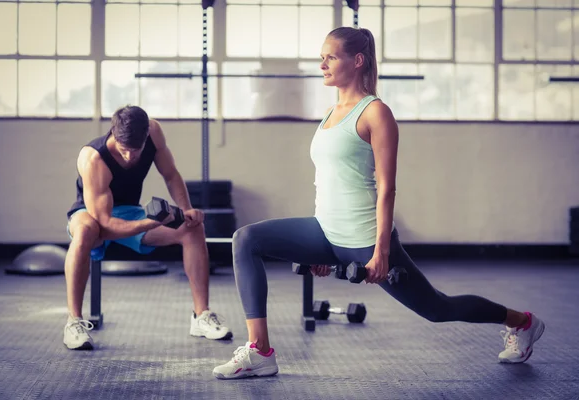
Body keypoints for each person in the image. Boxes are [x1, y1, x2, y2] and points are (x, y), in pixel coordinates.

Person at [212, 27, 545, 379]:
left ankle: (522, 322)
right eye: (322, 57)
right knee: (246, 239)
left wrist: (381, 251)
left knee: (436, 307)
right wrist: (314, 251)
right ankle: (260, 351)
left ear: (357, 61)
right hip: (325, 232)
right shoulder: (331, 112)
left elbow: (387, 188)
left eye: (331, 57)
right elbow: (327, 180)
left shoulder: (375, 113)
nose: (322, 63)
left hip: (365, 239)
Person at [63, 105, 232, 350]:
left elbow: (171, 175)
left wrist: (186, 210)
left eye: (136, 150)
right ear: (114, 134)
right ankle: (74, 322)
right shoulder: (93, 158)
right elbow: (105, 223)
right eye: (124, 151)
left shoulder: (153, 131)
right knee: (85, 230)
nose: (130, 157)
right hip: (90, 214)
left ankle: (201, 316)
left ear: (145, 137)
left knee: (192, 228)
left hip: (131, 211)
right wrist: (151, 222)